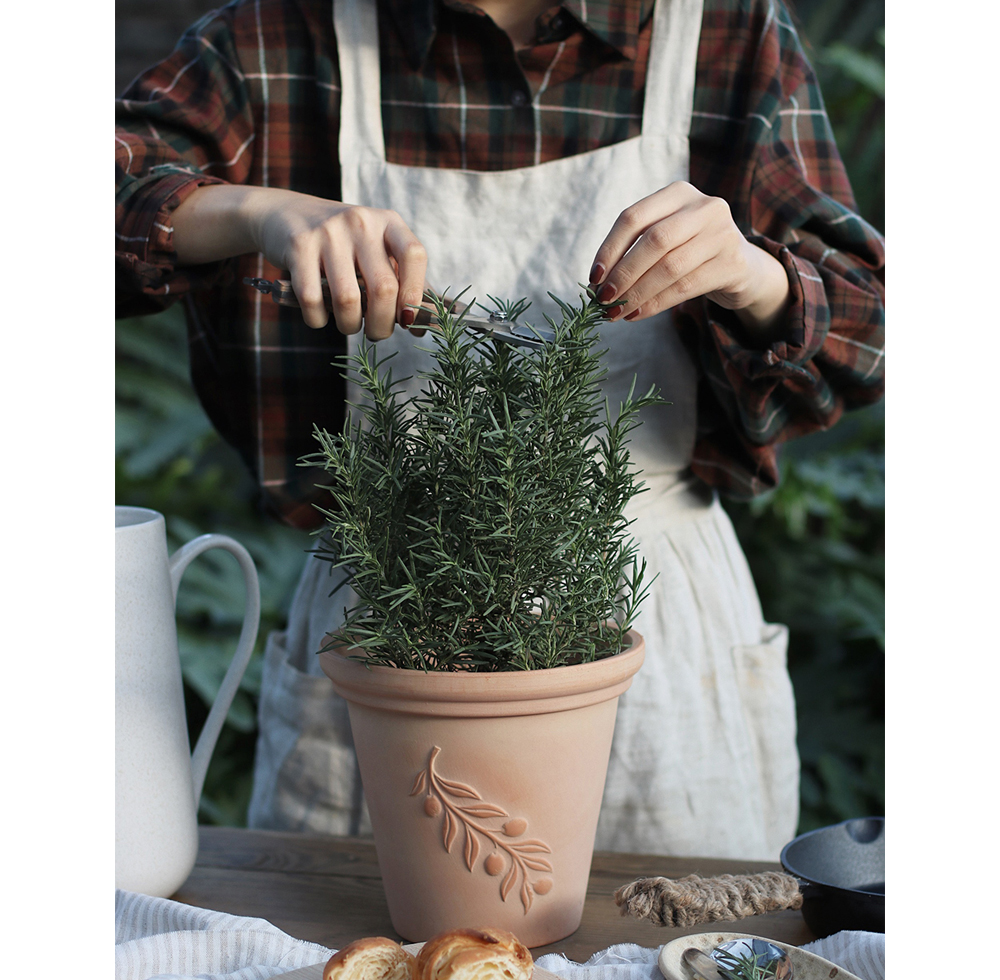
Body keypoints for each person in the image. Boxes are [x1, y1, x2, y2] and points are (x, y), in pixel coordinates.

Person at [116, 0, 885, 860]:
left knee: (674, 966)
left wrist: (752, 275)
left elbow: (867, 340)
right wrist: (256, 212)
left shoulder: (724, 29)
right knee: (376, 968)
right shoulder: (274, 35)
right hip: (389, 614)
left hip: (652, 622)